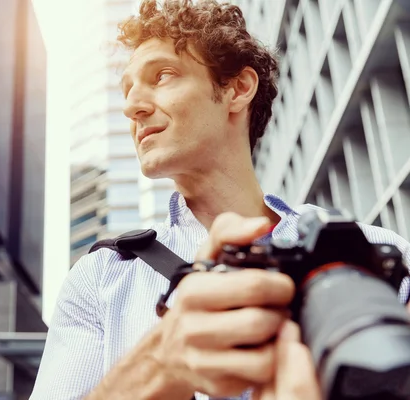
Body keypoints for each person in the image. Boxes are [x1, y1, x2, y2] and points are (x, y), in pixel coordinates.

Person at [30, 1, 410, 399]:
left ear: (237, 89)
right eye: (126, 90)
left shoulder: (374, 255)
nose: (131, 106)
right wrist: (160, 364)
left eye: (162, 75)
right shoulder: (100, 278)